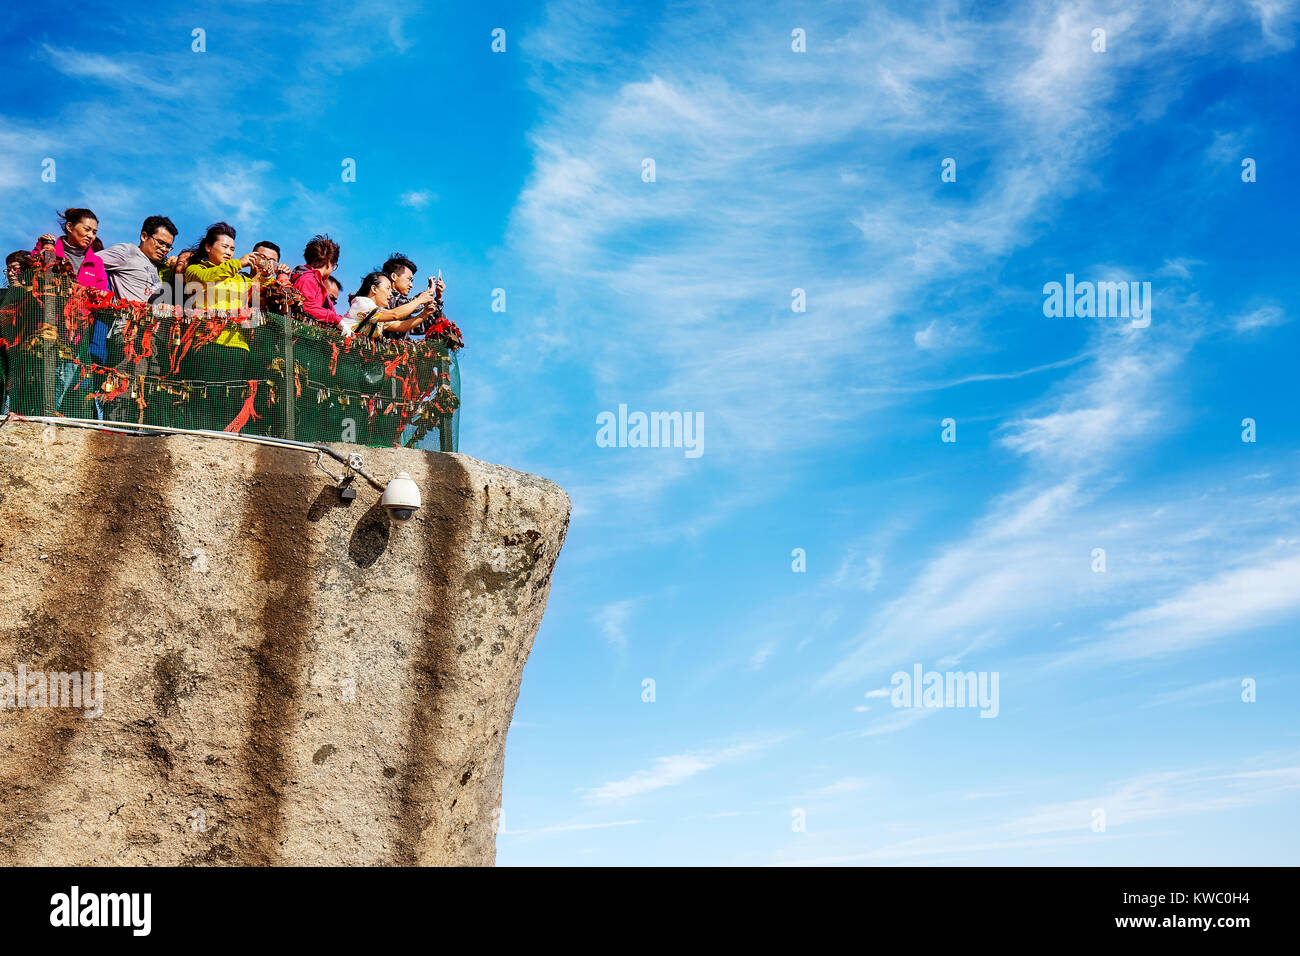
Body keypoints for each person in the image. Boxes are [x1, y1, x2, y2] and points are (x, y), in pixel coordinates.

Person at [30, 208, 110, 416]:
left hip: (77, 335)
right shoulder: (49, 250)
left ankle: (50, 420)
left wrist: (96, 295)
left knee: (65, 380)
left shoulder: (96, 262)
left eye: (94, 232)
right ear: (69, 227)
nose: (91, 235)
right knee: (39, 377)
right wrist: (41, 247)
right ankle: (37, 419)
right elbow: (30, 274)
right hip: (45, 328)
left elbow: (105, 294)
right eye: (86, 229)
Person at [98, 216, 178, 422]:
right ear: (144, 236)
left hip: (152, 337)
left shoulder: (155, 267)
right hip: (129, 334)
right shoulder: (127, 251)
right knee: (124, 385)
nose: (164, 249)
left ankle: (136, 438)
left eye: (168, 246)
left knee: (144, 389)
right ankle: (114, 435)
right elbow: (92, 263)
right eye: (160, 242)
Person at [343, 271, 436, 340]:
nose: (390, 294)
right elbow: (395, 315)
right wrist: (419, 300)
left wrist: (424, 314)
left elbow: (402, 326)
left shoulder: (377, 313)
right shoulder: (362, 303)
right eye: (387, 288)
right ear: (374, 289)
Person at [381, 252, 445, 340]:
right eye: (409, 279)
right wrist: (428, 293)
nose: (411, 285)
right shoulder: (383, 297)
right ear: (394, 276)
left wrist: (438, 298)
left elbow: (420, 326)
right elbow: (408, 305)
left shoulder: (404, 307)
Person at [292, 235, 342, 328]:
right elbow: (305, 306)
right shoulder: (309, 279)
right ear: (328, 263)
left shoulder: (315, 280)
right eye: (333, 265)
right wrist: (335, 318)